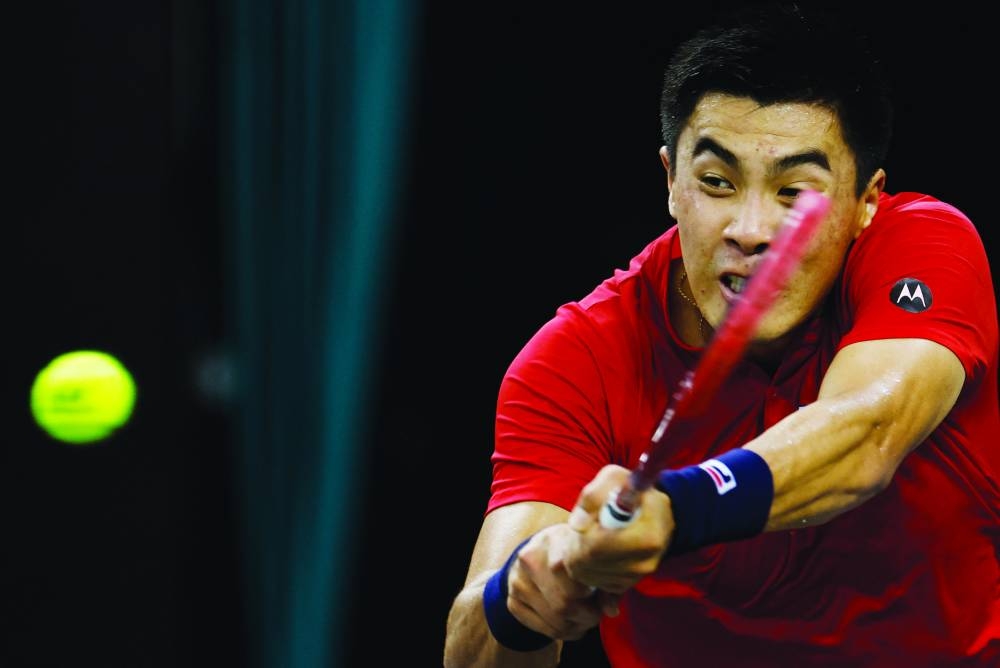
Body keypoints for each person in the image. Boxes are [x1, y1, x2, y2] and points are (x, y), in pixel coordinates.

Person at [443, 3, 1000, 667]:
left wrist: (675, 510)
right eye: (717, 183)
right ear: (671, 183)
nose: (751, 229)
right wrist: (522, 601)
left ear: (866, 202)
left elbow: (866, 429)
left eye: (796, 192)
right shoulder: (576, 362)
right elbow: (473, 637)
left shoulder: (924, 244)